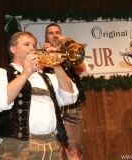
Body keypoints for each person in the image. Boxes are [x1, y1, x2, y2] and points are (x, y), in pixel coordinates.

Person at [0, 31, 79, 159]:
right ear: (12, 49)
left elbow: (70, 96)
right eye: (27, 44)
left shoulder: (47, 77)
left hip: (52, 144)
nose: (32, 48)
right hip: (17, 147)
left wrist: (57, 65)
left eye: (34, 45)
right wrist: (25, 73)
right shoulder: (0, 74)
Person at [43, 23, 90, 160]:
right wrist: (48, 54)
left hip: (71, 108)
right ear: (46, 37)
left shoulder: (69, 51)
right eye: (51, 33)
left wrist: (67, 49)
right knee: (55, 150)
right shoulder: (42, 53)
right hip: (50, 107)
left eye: (57, 32)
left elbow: (84, 70)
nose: (55, 35)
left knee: (73, 150)